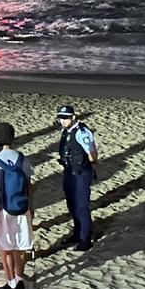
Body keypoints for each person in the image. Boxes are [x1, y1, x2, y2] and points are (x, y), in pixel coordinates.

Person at [0, 122, 35, 289]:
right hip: (22, 206)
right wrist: (31, 207)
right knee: (20, 245)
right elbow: (29, 185)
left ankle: (11, 282)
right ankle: (19, 278)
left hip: (0, 209)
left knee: (5, 248)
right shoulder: (23, 159)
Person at [56, 104, 98, 251]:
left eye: (66, 118)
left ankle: (85, 238)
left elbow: (93, 155)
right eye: (61, 118)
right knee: (72, 205)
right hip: (69, 172)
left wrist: (84, 164)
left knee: (81, 207)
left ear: (73, 117)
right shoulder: (66, 131)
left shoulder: (82, 132)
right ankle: (77, 233)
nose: (63, 121)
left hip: (80, 173)